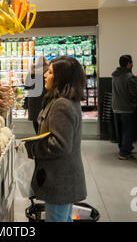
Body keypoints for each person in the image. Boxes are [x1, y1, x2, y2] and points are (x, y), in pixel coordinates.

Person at [24, 56, 87, 222]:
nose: (45, 75)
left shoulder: (61, 104)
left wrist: (30, 147)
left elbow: (60, 145)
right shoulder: (64, 100)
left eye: (50, 72)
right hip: (62, 178)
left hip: (60, 180)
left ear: (61, 78)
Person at [112, 55, 137, 160]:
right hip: (126, 108)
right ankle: (125, 153)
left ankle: (123, 148)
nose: (132, 64)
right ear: (129, 64)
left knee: (120, 130)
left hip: (116, 107)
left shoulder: (116, 74)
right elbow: (134, 92)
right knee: (127, 130)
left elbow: (125, 80)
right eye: (131, 62)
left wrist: (135, 76)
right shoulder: (129, 77)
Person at [24, 56, 49, 134]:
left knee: (35, 123)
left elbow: (26, 87)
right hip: (44, 100)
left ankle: (37, 136)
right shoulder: (48, 72)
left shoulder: (32, 72)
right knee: (44, 122)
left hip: (33, 101)